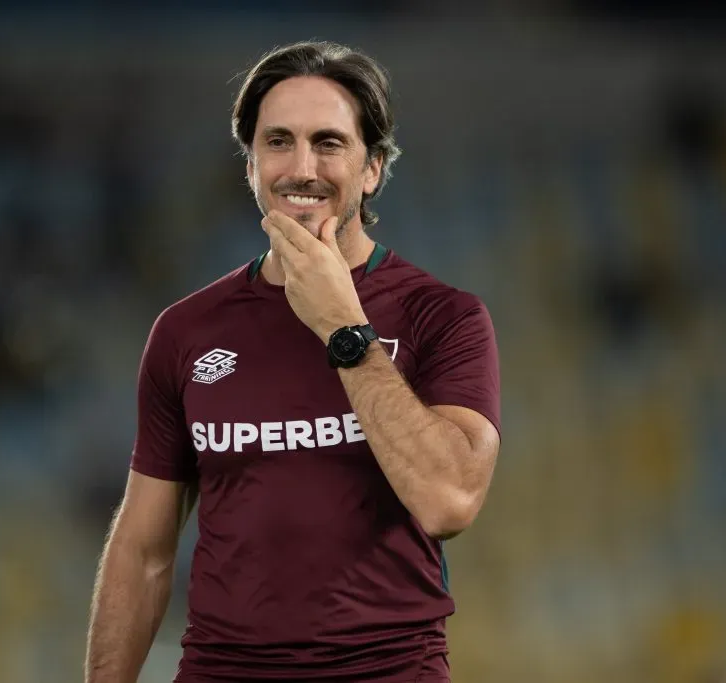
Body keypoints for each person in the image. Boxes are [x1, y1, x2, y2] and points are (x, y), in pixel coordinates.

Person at [84, 40, 501, 683]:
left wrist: (342, 326)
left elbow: (448, 502)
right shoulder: (186, 331)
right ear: (250, 164)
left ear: (372, 168)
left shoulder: (444, 317)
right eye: (278, 141)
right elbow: (142, 551)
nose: (301, 167)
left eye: (329, 143)